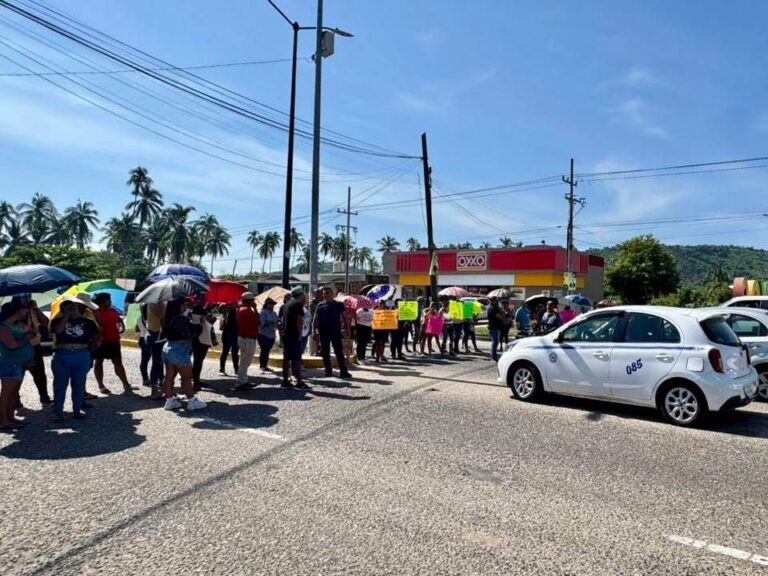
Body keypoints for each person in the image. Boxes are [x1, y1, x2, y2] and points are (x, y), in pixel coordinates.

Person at [50, 295, 100, 421]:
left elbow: (97, 337)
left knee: (79, 384)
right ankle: (58, 412)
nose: (72, 309)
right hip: (62, 353)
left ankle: (77, 410)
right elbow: (58, 331)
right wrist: (66, 316)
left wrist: (91, 351)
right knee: (60, 384)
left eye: (73, 306)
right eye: (67, 307)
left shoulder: (88, 322)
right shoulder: (57, 321)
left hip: (81, 353)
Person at [161, 298, 206, 411]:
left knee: (169, 377)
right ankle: (191, 401)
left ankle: (169, 400)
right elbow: (192, 331)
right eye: (184, 305)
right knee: (186, 377)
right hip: (180, 349)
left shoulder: (165, 318)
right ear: (177, 306)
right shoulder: (180, 319)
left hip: (168, 347)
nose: (186, 307)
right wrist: (201, 324)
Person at [0, 300, 35, 429]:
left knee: (13, 392)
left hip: (17, 363)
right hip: (9, 363)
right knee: (6, 393)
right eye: (24, 309)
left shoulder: (13, 325)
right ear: (15, 311)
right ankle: (3, 420)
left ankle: (10, 417)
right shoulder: (3, 327)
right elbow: (12, 345)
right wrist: (27, 338)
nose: (26, 311)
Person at [93, 292, 136, 394]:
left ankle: (126, 384)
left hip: (114, 341)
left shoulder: (112, 310)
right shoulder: (96, 312)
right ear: (103, 301)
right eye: (109, 300)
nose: (111, 301)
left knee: (118, 363)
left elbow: (119, 319)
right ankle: (101, 385)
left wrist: (122, 326)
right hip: (101, 342)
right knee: (99, 362)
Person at [11, 296, 50, 406]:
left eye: (29, 296)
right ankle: (15, 398)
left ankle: (44, 395)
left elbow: (45, 322)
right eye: (24, 297)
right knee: (18, 374)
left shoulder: (32, 309)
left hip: (34, 345)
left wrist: (36, 309)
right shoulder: (11, 311)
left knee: (39, 373)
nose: (28, 299)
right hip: (19, 347)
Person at [313, 286, 352, 378]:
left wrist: (348, 330)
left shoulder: (339, 304)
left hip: (335, 332)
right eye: (324, 294)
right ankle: (328, 371)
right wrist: (313, 331)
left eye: (327, 293)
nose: (325, 295)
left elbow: (346, 318)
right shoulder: (320, 305)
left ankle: (343, 371)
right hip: (323, 332)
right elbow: (315, 319)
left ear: (332, 294)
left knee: (338, 352)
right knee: (325, 352)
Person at [282, 287, 308, 389]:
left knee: (286, 358)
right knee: (297, 359)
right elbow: (299, 321)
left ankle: (285, 380)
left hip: (286, 335)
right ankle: (299, 381)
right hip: (294, 336)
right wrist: (299, 336)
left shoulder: (286, 304)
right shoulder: (298, 305)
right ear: (301, 294)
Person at [189, 294, 215, 391]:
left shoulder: (192, 311)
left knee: (198, 360)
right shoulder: (200, 311)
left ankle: (196, 380)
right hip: (200, 338)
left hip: (197, 338)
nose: (203, 301)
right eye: (201, 299)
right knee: (198, 360)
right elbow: (203, 324)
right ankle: (195, 382)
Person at [236, 292, 260, 391]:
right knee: (245, 362)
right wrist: (255, 309)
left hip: (245, 337)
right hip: (248, 338)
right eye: (252, 300)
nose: (254, 302)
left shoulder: (242, 309)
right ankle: (241, 382)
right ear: (249, 301)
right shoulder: (247, 310)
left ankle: (243, 380)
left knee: (244, 361)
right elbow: (258, 320)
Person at [146, 302, 166, 400]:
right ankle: (155, 390)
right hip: (156, 334)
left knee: (159, 363)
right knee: (157, 363)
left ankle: (162, 387)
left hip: (153, 333)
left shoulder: (153, 302)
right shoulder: (155, 303)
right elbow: (162, 316)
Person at [219, 302, 239, 376]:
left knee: (235, 353)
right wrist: (226, 307)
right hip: (227, 333)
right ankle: (222, 369)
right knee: (225, 352)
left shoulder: (236, 310)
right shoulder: (226, 310)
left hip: (235, 333)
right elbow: (220, 309)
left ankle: (236, 369)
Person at [259, 298, 278, 371]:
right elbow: (262, 323)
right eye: (270, 304)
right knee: (264, 350)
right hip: (263, 334)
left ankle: (265, 365)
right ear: (267, 305)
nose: (272, 306)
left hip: (271, 335)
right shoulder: (263, 312)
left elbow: (276, 323)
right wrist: (270, 322)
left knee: (267, 351)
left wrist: (276, 324)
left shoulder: (274, 313)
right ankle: (262, 365)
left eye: (273, 304)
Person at [135, 304, 151, 387]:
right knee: (157, 361)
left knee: (144, 361)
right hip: (150, 339)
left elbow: (137, 329)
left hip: (142, 338)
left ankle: (145, 379)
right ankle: (160, 379)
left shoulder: (139, 318)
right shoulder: (152, 318)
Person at [487, 296, 504, 362]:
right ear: (492, 301)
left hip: (497, 327)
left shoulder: (496, 308)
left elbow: (502, 314)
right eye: (495, 300)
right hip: (493, 327)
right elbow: (501, 317)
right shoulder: (492, 309)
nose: (497, 302)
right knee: (495, 342)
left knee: (496, 341)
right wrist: (501, 312)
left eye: (497, 300)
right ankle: (493, 356)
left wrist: (500, 309)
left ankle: (494, 354)